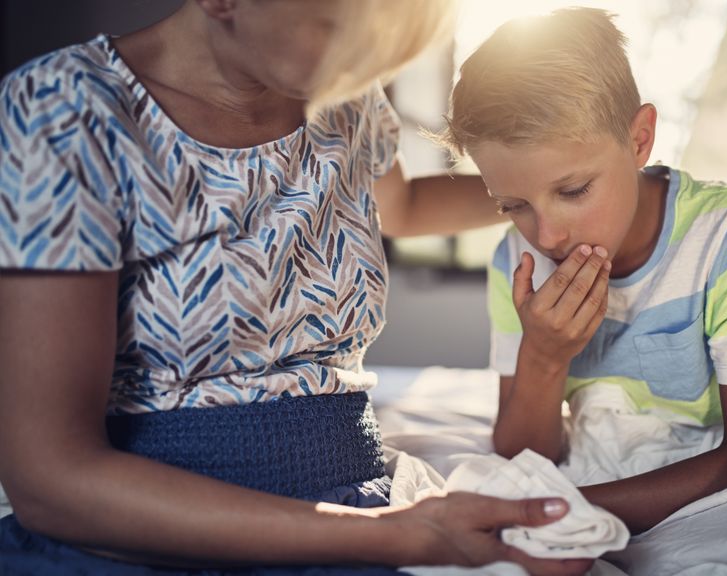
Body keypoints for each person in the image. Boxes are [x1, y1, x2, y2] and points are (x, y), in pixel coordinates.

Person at [0, 1, 596, 574]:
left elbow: (405, 204)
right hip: (156, 526)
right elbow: (50, 480)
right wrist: (387, 535)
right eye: (340, 28)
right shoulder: (65, 110)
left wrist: (570, 188)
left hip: (361, 495)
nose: (372, 62)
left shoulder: (344, 96)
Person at [438, 7, 727, 536]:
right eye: (512, 205)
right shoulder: (516, 261)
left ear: (639, 139)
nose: (546, 236)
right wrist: (544, 356)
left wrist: (569, 509)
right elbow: (522, 453)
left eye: (573, 191)